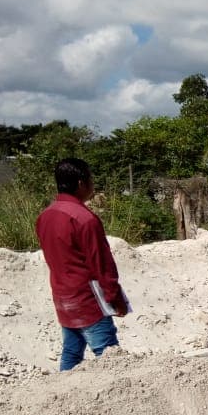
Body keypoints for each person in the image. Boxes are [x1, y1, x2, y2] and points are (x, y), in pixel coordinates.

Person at [36, 158, 129, 370]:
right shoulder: (84, 219)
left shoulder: (45, 216)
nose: (93, 185)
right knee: (109, 357)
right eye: (91, 179)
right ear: (81, 183)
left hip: (63, 298)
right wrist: (115, 298)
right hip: (88, 301)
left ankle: (64, 396)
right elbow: (102, 264)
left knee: (71, 352)